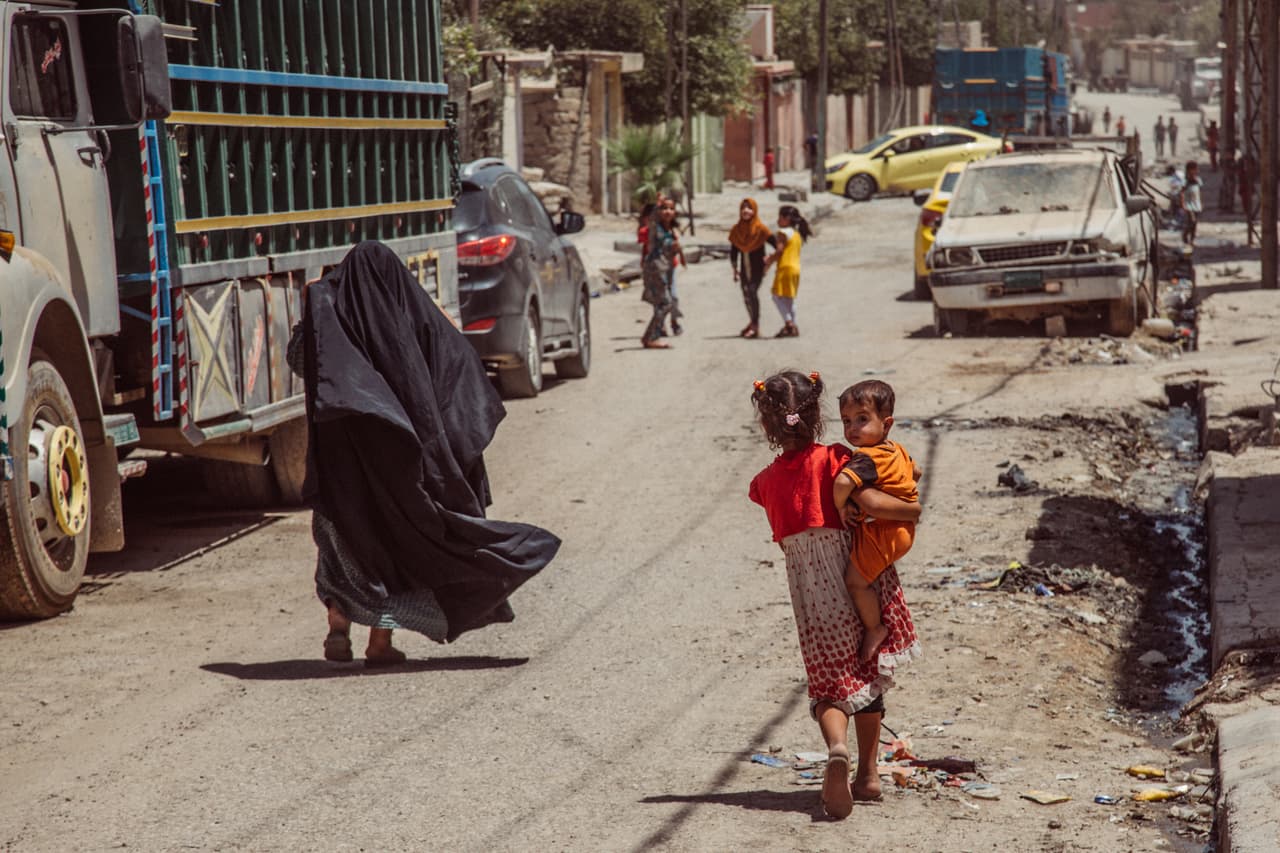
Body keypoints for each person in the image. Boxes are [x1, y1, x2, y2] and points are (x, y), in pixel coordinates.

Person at [289, 242, 560, 665]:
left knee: (340, 543)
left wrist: (311, 311)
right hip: (400, 471)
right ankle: (380, 644)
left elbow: (301, 363)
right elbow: (458, 365)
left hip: (338, 466)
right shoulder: (412, 320)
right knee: (392, 546)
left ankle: (337, 625)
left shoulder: (327, 313)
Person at [748, 371, 922, 819]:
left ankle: (837, 747)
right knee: (868, 672)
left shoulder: (765, 481)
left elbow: (760, 496)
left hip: (811, 596)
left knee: (830, 683)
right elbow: (880, 494)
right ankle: (868, 775)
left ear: (769, 427)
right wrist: (912, 509)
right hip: (858, 571)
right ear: (817, 417)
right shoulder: (838, 458)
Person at [832, 380, 921, 663]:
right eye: (847, 421)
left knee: (856, 583)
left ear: (887, 423)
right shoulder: (895, 449)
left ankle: (874, 628)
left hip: (884, 530)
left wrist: (842, 506)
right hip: (901, 529)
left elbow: (842, 482)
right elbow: (916, 471)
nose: (852, 429)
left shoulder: (866, 458)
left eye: (862, 419)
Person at [728, 198, 776, 339]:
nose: (746, 211)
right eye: (743, 208)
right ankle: (751, 322)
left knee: (752, 292)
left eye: (749, 208)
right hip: (744, 268)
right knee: (746, 295)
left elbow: (776, 244)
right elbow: (734, 250)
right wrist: (734, 268)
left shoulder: (761, 229)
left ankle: (755, 325)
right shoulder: (736, 230)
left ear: (755, 211)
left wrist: (771, 258)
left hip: (758, 268)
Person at [763, 205, 813, 337]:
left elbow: (779, 251)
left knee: (776, 296)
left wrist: (769, 260)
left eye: (780, 217)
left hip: (785, 267)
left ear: (787, 219)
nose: (778, 220)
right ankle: (793, 326)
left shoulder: (783, 232)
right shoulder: (797, 235)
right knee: (789, 299)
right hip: (796, 268)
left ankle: (789, 322)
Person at [641, 199, 682, 348]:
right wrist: (673, 244)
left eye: (671, 209)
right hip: (656, 268)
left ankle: (652, 336)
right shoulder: (656, 226)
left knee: (664, 302)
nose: (668, 212)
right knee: (665, 303)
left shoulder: (669, 227)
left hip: (664, 268)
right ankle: (651, 337)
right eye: (664, 208)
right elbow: (663, 242)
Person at [1181, 160, 1202, 245]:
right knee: (1192, 221)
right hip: (1188, 204)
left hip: (1196, 204)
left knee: (1194, 223)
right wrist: (1182, 204)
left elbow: (1199, 192)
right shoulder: (1185, 181)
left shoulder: (1198, 180)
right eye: (1194, 169)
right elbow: (1182, 193)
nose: (1196, 171)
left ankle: (1192, 240)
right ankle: (1185, 234)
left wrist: (1200, 203)